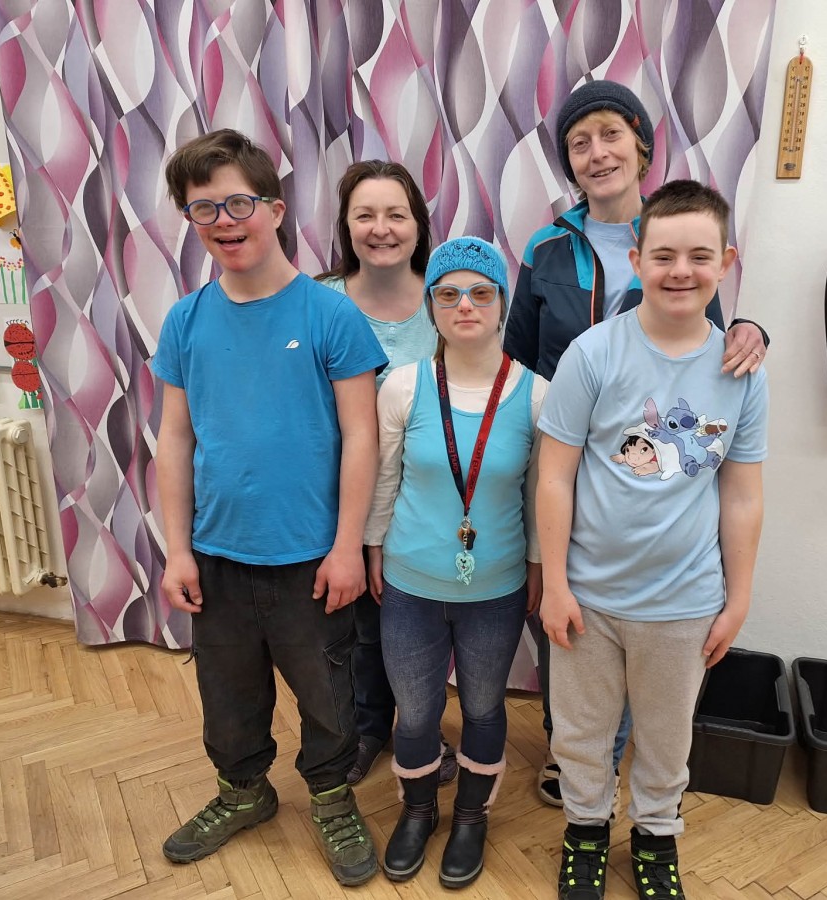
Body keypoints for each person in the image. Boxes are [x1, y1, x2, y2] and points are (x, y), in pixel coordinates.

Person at [503, 78, 770, 807]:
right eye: (579, 143)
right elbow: (518, 355)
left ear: (642, 146)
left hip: (650, 468)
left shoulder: (676, 232)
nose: (597, 153)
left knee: (645, 645)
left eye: (611, 135)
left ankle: (623, 763)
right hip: (563, 457)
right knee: (567, 612)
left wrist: (754, 330)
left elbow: (708, 342)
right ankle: (572, 753)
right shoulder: (547, 247)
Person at [152, 129, 387, 887]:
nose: (223, 222)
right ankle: (243, 791)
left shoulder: (330, 315)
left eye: (238, 203)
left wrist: (347, 546)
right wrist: (177, 550)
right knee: (226, 692)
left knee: (327, 694)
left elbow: (361, 437)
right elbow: (174, 440)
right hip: (216, 552)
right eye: (203, 209)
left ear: (275, 210)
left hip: (310, 557)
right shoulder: (186, 321)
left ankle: (332, 797)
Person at [536, 180, 768, 900]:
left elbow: (742, 494)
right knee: (581, 734)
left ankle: (656, 835)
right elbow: (555, 477)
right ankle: (585, 830)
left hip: (685, 602)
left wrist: (738, 598)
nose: (680, 271)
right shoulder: (592, 354)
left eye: (699, 256)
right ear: (636, 260)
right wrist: (555, 585)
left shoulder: (743, 372)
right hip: (590, 598)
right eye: (663, 255)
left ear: (726, 262)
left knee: (667, 737)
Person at [365, 237, 548, 888]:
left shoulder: (535, 395)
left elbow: (539, 497)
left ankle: (472, 816)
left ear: (501, 304)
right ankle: (418, 810)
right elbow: (384, 480)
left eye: (480, 292)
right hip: (409, 585)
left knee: (484, 709)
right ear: (432, 308)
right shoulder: (403, 386)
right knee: (415, 714)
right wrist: (373, 547)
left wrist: (537, 566)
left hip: (496, 590)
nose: (464, 305)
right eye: (448, 294)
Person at [317, 160, 458, 789]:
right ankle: (365, 728)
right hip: (338, 494)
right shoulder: (320, 300)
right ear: (346, 226)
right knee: (356, 629)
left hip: (427, 498)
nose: (381, 229)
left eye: (396, 214)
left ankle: (421, 729)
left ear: (419, 224)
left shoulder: (447, 299)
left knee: (418, 624)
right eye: (365, 215)